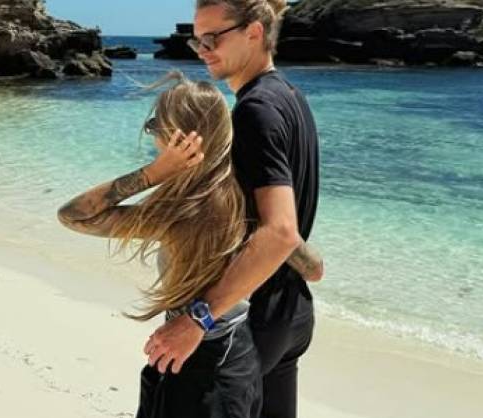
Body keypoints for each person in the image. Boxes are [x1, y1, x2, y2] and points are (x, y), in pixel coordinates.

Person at [57, 73, 322, 418]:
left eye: (154, 126)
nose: (151, 135)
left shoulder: (177, 214)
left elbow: (74, 215)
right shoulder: (251, 203)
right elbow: (313, 268)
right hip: (239, 356)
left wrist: (154, 173)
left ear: (177, 141)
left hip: (195, 363)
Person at [142, 2, 322, 417]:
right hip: (292, 311)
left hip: (249, 316)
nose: (202, 50)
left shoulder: (255, 111)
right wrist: (307, 261)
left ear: (254, 32)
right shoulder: (292, 97)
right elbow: (279, 222)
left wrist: (198, 319)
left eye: (212, 38)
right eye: (197, 41)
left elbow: (280, 231)